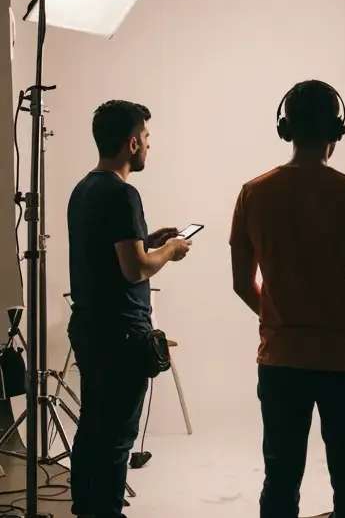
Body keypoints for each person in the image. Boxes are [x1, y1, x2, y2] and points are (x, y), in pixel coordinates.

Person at [229, 80, 345, 518]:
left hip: (282, 361)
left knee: (280, 481)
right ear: (336, 131)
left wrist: (279, 312)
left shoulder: (253, 192)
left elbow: (242, 283)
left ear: (286, 128)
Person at [67, 100, 192, 518]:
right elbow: (135, 268)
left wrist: (149, 238)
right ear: (132, 142)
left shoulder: (84, 189)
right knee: (117, 441)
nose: (149, 148)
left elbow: (113, 254)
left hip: (88, 327)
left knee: (91, 429)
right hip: (121, 335)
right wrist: (170, 250)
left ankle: (86, 510)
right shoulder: (123, 194)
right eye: (147, 140)